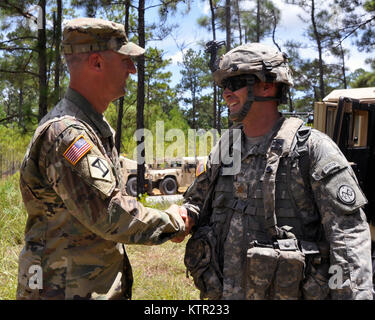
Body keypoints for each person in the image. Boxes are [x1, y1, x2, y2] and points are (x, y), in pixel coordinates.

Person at [182, 43, 373, 300]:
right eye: (222, 86)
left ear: (267, 85)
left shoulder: (312, 150)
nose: (226, 93)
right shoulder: (225, 147)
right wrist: (181, 217)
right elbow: (196, 203)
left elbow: (348, 240)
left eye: (235, 82)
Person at [16, 17, 190, 300]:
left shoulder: (90, 127)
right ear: (97, 63)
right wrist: (174, 222)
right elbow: (112, 214)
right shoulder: (67, 134)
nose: (132, 69)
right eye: (125, 61)